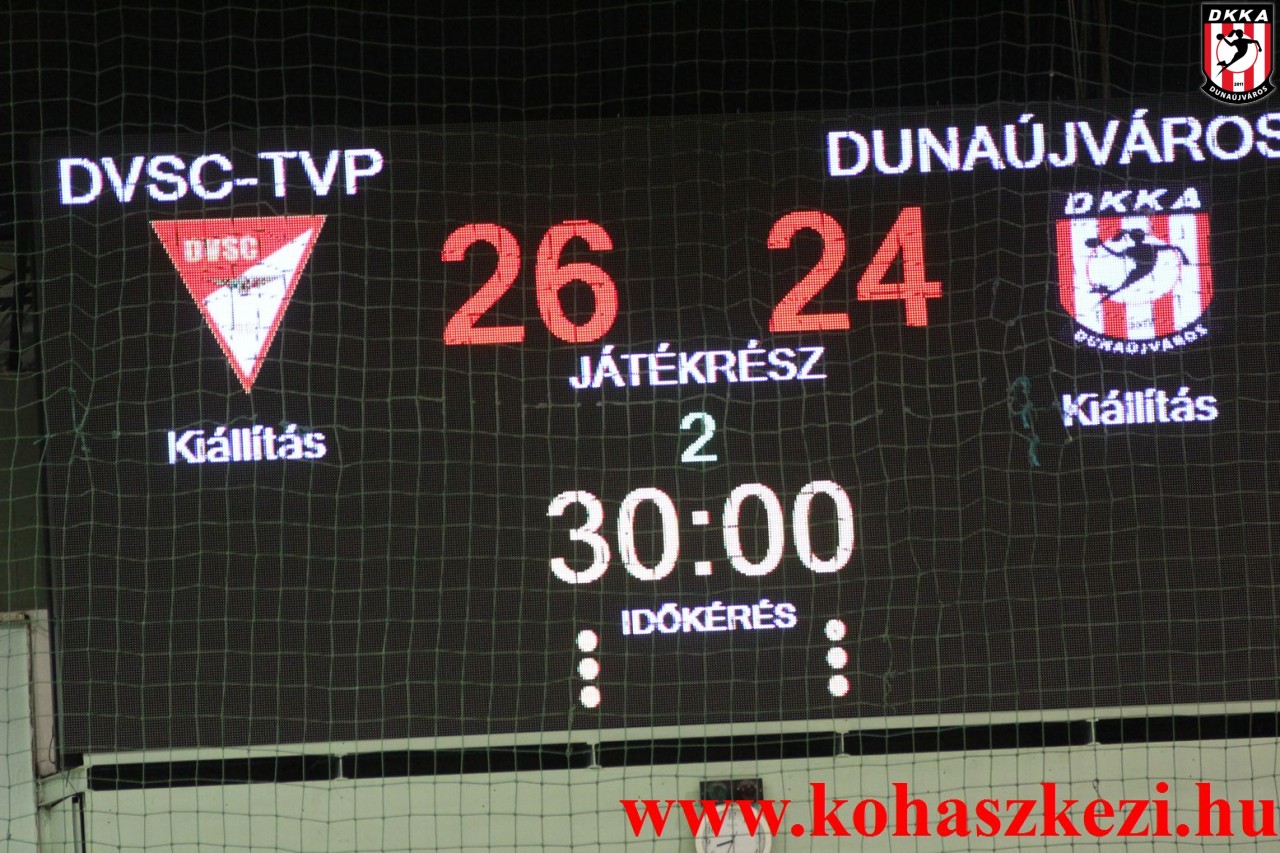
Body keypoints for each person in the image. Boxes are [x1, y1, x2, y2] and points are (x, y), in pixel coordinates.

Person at [1084, 229, 1189, 301]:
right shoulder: (1149, 247)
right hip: (1141, 270)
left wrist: (1103, 245)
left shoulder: (1141, 248)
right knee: (1123, 286)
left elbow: (1116, 254)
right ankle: (1105, 291)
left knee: (1123, 286)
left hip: (1142, 270)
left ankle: (1105, 291)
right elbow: (1176, 248)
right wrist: (1184, 258)